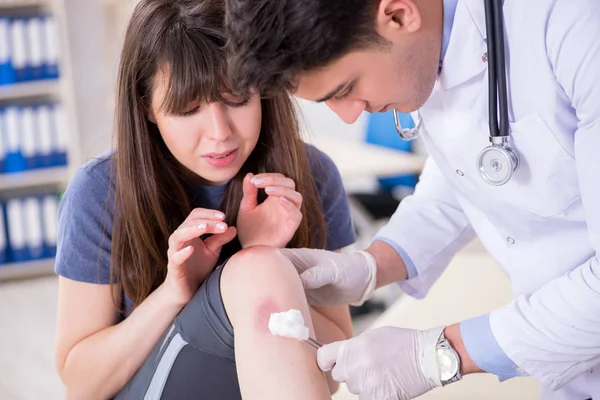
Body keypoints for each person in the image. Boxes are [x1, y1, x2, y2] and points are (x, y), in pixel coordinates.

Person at [224, 0, 600, 399]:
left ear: (399, 15)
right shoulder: (428, 49)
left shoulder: (575, 25)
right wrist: (371, 266)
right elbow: (470, 175)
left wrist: (444, 354)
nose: (349, 117)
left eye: (346, 89)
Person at [53, 0, 357, 399]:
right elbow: (81, 384)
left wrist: (270, 261)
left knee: (260, 266)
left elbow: (333, 368)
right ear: (146, 107)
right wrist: (176, 292)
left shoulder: (310, 176)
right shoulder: (99, 191)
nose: (219, 132)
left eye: (237, 99)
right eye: (187, 109)